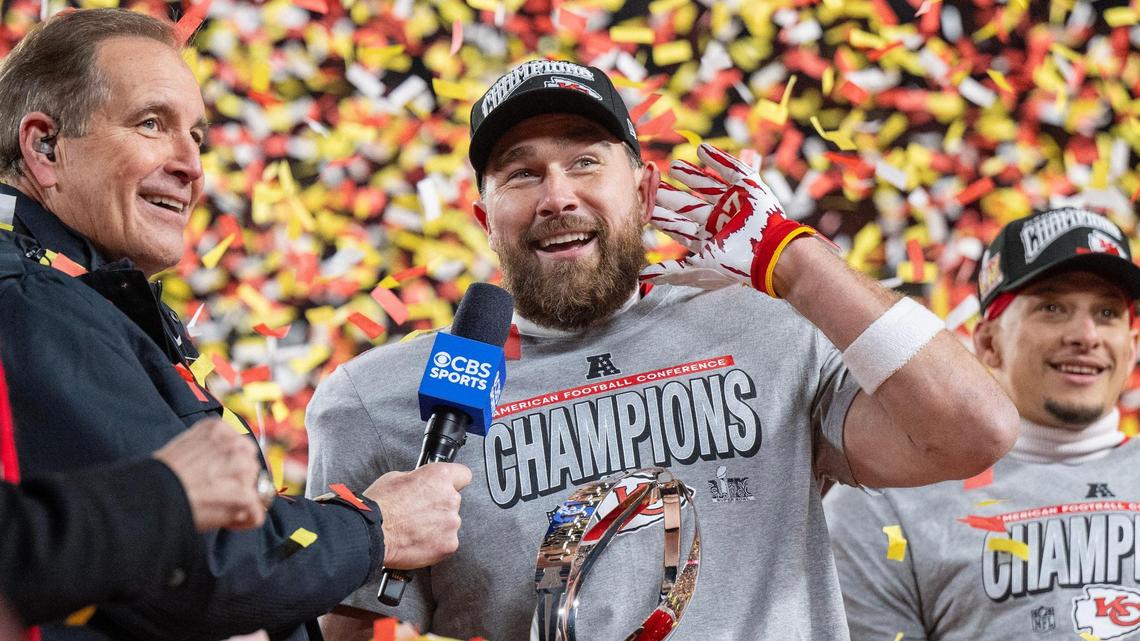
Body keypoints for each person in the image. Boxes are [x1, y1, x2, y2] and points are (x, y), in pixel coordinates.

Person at [306, 60, 1019, 640]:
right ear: (484, 217)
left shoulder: (766, 326)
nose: (557, 195)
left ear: (644, 191)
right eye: (522, 173)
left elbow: (974, 430)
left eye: (585, 161)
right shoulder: (382, 400)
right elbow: (353, 632)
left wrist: (795, 262)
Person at [0, 9, 469, 641]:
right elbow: (194, 562)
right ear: (45, 147)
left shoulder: (82, 291)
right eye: (151, 124)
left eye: (197, 136)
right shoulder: (34, 299)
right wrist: (377, 527)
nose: (191, 165)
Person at [825, 208, 1140, 640]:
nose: (1087, 335)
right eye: (1052, 307)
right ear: (988, 343)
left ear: (1133, 343)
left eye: (1108, 313)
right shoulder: (885, 503)